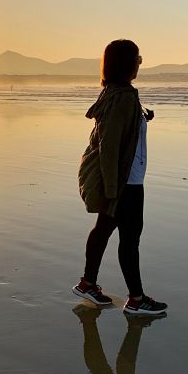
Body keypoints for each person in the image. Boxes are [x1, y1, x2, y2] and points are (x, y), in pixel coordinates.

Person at [73, 39, 167, 315]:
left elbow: (115, 132)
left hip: (123, 179)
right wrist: (114, 189)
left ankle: (88, 283)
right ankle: (136, 300)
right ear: (127, 63)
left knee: (103, 228)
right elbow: (109, 144)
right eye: (138, 58)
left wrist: (141, 119)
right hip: (127, 182)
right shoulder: (124, 97)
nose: (140, 63)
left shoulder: (117, 93)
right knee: (129, 239)